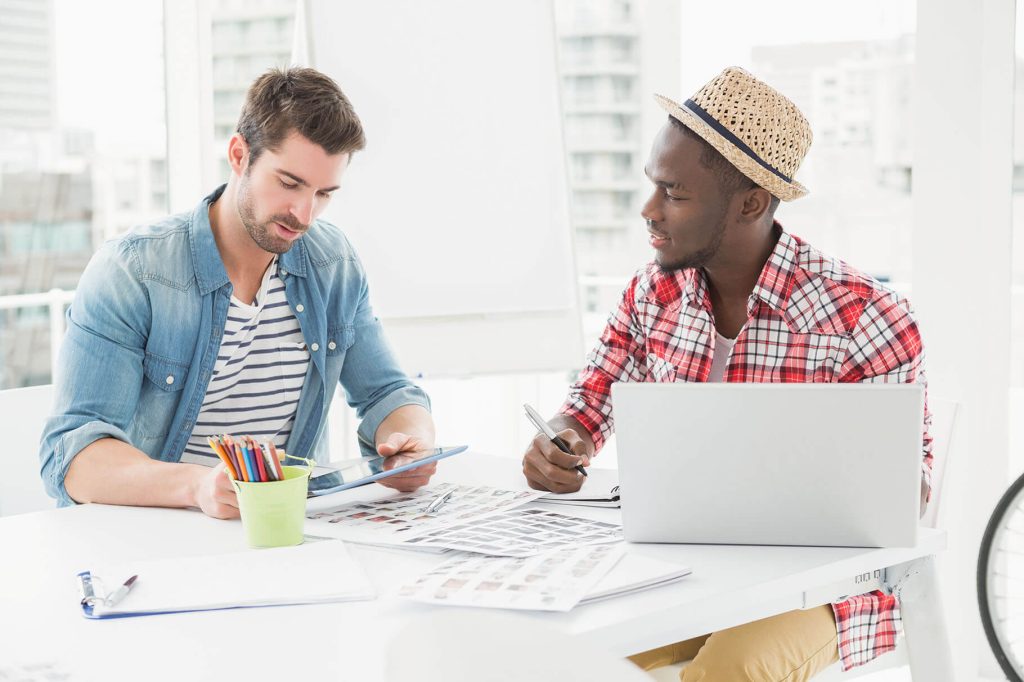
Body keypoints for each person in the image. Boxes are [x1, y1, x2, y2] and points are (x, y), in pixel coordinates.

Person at [521, 67, 932, 679]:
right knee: (556, 659)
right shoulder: (649, 294)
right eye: (653, 186)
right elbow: (588, 405)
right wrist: (561, 442)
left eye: (675, 194)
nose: (649, 210)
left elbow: (909, 495)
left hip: (822, 591)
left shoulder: (864, 316)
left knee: (727, 673)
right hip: (674, 572)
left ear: (751, 203)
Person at [39, 67, 436, 519]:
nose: (304, 214)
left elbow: (388, 392)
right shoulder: (133, 271)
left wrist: (411, 443)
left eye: (324, 193)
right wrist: (197, 487)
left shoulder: (332, 262)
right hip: (158, 534)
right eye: (289, 183)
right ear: (238, 154)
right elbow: (73, 457)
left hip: (285, 534)